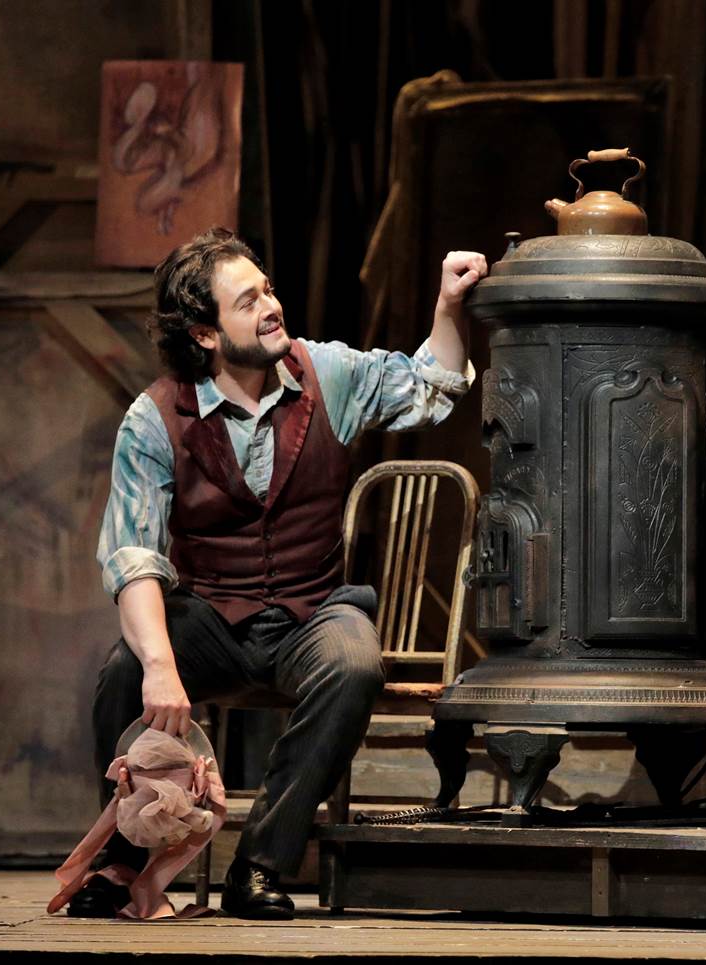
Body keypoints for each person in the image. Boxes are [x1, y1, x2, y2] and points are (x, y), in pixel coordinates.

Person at [72, 227, 487, 919]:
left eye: (267, 289)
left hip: (310, 611)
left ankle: (260, 864)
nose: (270, 305)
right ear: (205, 334)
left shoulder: (327, 373)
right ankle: (123, 861)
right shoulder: (156, 418)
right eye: (247, 300)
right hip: (212, 617)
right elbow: (133, 558)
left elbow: (431, 385)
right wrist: (158, 662)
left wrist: (449, 306)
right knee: (122, 670)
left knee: (354, 661)